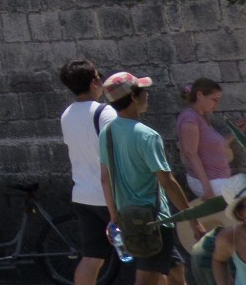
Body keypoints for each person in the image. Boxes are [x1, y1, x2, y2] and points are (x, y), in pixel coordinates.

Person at [103, 72, 197, 285]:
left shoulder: (107, 133)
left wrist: (114, 217)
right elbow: (168, 182)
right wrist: (193, 219)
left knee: (175, 269)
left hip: (128, 217)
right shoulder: (147, 135)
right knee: (147, 279)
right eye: (143, 91)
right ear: (133, 97)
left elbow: (105, 178)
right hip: (152, 221)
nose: (148, 95)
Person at [62, 58, 122, 285]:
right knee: (150, 256)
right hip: (109, 196)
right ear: (94, 82)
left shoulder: (67, 114)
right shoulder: (105, 113)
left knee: (92, 258)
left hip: (83, 195)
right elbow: (118, 154)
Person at [177, 81, 240, 279]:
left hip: (217, 180)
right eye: (214, 99)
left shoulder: (202, 118)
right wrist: (206, 186)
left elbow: (215, 148)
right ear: (199, 95)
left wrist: (235, 133)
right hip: (210, 182)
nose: (216, 104)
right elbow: (190, 153)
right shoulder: (189, 119)